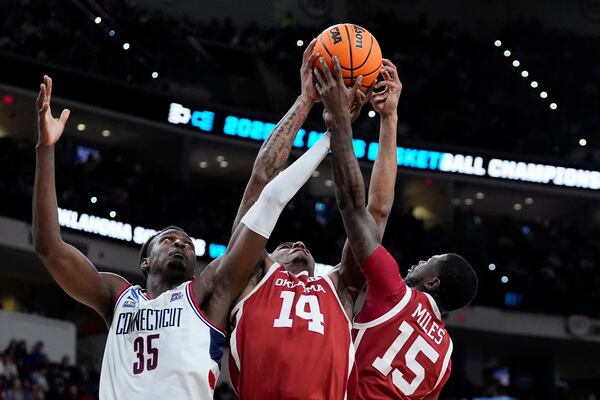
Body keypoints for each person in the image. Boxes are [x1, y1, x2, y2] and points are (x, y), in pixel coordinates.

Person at [31, 40, 328, 400]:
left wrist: (306, 102)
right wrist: (45, 150)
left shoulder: (207, 294)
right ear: (144, 261)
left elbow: (261, 186)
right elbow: (48, 247)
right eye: (169, 239)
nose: (181, 244)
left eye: (187, 243)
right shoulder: (117, 296)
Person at [225, 55, 402, 398]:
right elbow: (262, 183)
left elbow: (375, 213)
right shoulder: (249, 278)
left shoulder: (339, 290)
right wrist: (306, 99)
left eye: (301, 246)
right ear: (267, 258)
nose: (301, 245)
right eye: (287, 245)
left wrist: (389, 119)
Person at [317, 56, 478, 399]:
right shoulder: (446, 356)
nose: (419, 262)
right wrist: (388, 118)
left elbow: (369, 210)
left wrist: (342, 120)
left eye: (430, 260)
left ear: (433, 281)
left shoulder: (395, 292)